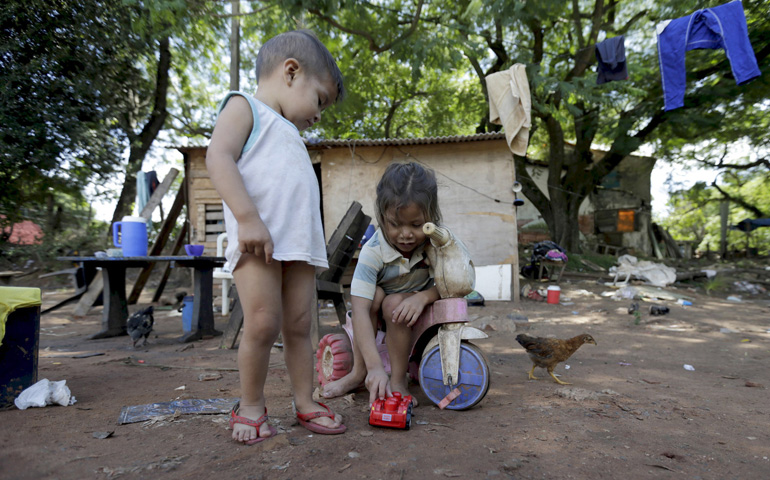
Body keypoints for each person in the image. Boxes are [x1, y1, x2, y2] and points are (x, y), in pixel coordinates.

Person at [206, 30, 346, 445]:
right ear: (290, 72)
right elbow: (218, 156)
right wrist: (247, 218)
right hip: (258, 243)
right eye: (319, 100)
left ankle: (305, 400)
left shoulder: (291, 134)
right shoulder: (243, 106)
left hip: (298, 247)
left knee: (302, 326)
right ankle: (250, 404)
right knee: (264, 324)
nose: (319, 114)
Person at [322, 162, 442, 406]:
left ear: (431, 217)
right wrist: (375, 367)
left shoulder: (439, 243)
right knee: (376, 297)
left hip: (422, 316)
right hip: (380, 316)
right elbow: (360, 309)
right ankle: (359, 372)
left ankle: (399, 380)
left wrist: (424, 297)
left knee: (394, 302)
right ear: (382, 217)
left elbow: (460, 282)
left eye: (416, 225)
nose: (405, 234)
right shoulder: (373, 251)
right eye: (395, 224)